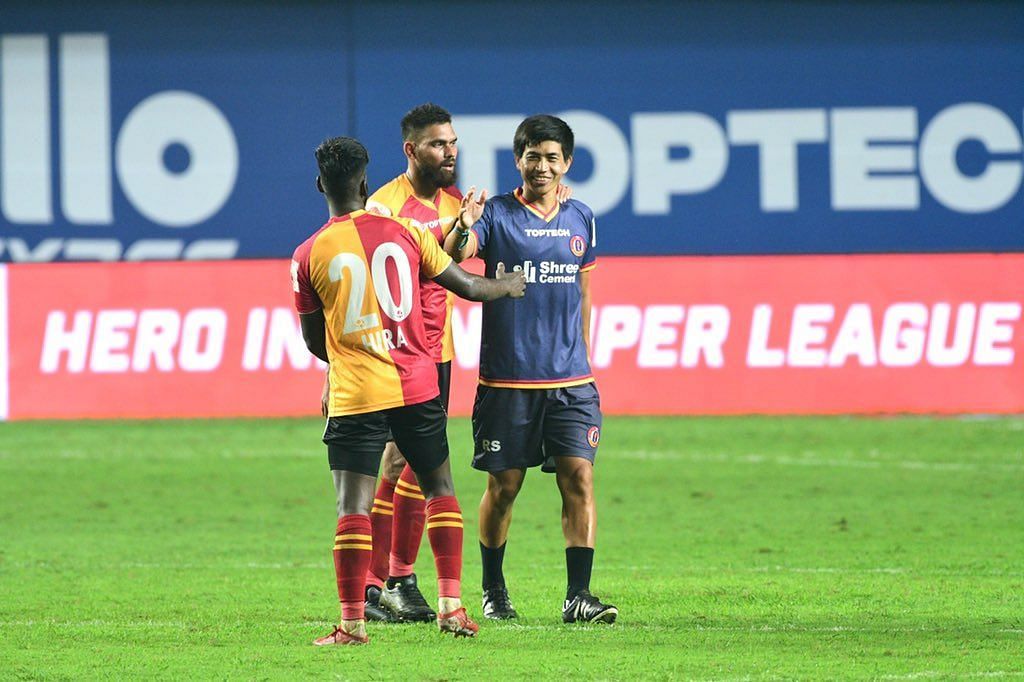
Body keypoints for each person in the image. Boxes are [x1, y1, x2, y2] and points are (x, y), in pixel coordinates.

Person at [292, 136, 525, 645]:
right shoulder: (405, 233)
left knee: (351, 507)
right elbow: (464, 284)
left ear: (320, 187)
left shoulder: (308, 254)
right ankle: (451, 607)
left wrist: (353, 359)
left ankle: (353, 624)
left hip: (356, 394)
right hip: (419, 385)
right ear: (363, 184)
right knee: (439, 488)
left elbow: (316, 342)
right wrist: (505, 287)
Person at [444, 115, 618, 624]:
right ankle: (493, 588)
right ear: (518, 160)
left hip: (571, 382)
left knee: (579, 480)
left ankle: (579, 597)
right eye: (532, 156)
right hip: (507, 382)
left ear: (566, 162)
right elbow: (457, 253)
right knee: (504, 488)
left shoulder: (583, 216)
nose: (542, 166)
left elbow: (584, 293)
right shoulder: (496, 214)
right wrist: (461, 223)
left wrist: (583, 356)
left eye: (552, 156)